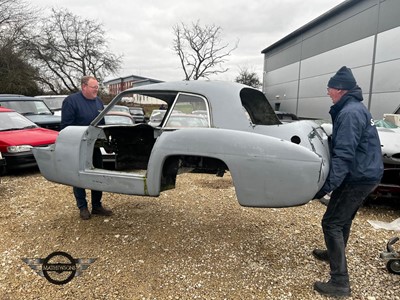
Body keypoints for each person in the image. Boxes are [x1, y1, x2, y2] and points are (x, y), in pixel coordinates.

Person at [312, 66, 383, 297]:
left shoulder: (350, 113)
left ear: (340, 90)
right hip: (366, 172)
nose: (328, 93)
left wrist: (325, 187)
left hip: (358, 177)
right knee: (342, 219)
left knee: (331, 222)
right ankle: (334, 253)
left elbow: (344, 154)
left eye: (329, 89)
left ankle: (340, 283)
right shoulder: (354, 108)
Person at [61, 75, 113, 220]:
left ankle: (97, 205)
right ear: (84, 86)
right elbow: (65, 126)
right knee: (80, 177)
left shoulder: (98, 102)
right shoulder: (71, 101)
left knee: (98, 174)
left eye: (97, 87)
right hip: (78, 146)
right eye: (93, 87)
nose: (97, 90)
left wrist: (106, 142)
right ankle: (82, 207)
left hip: (94, 146)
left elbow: (102, 124)